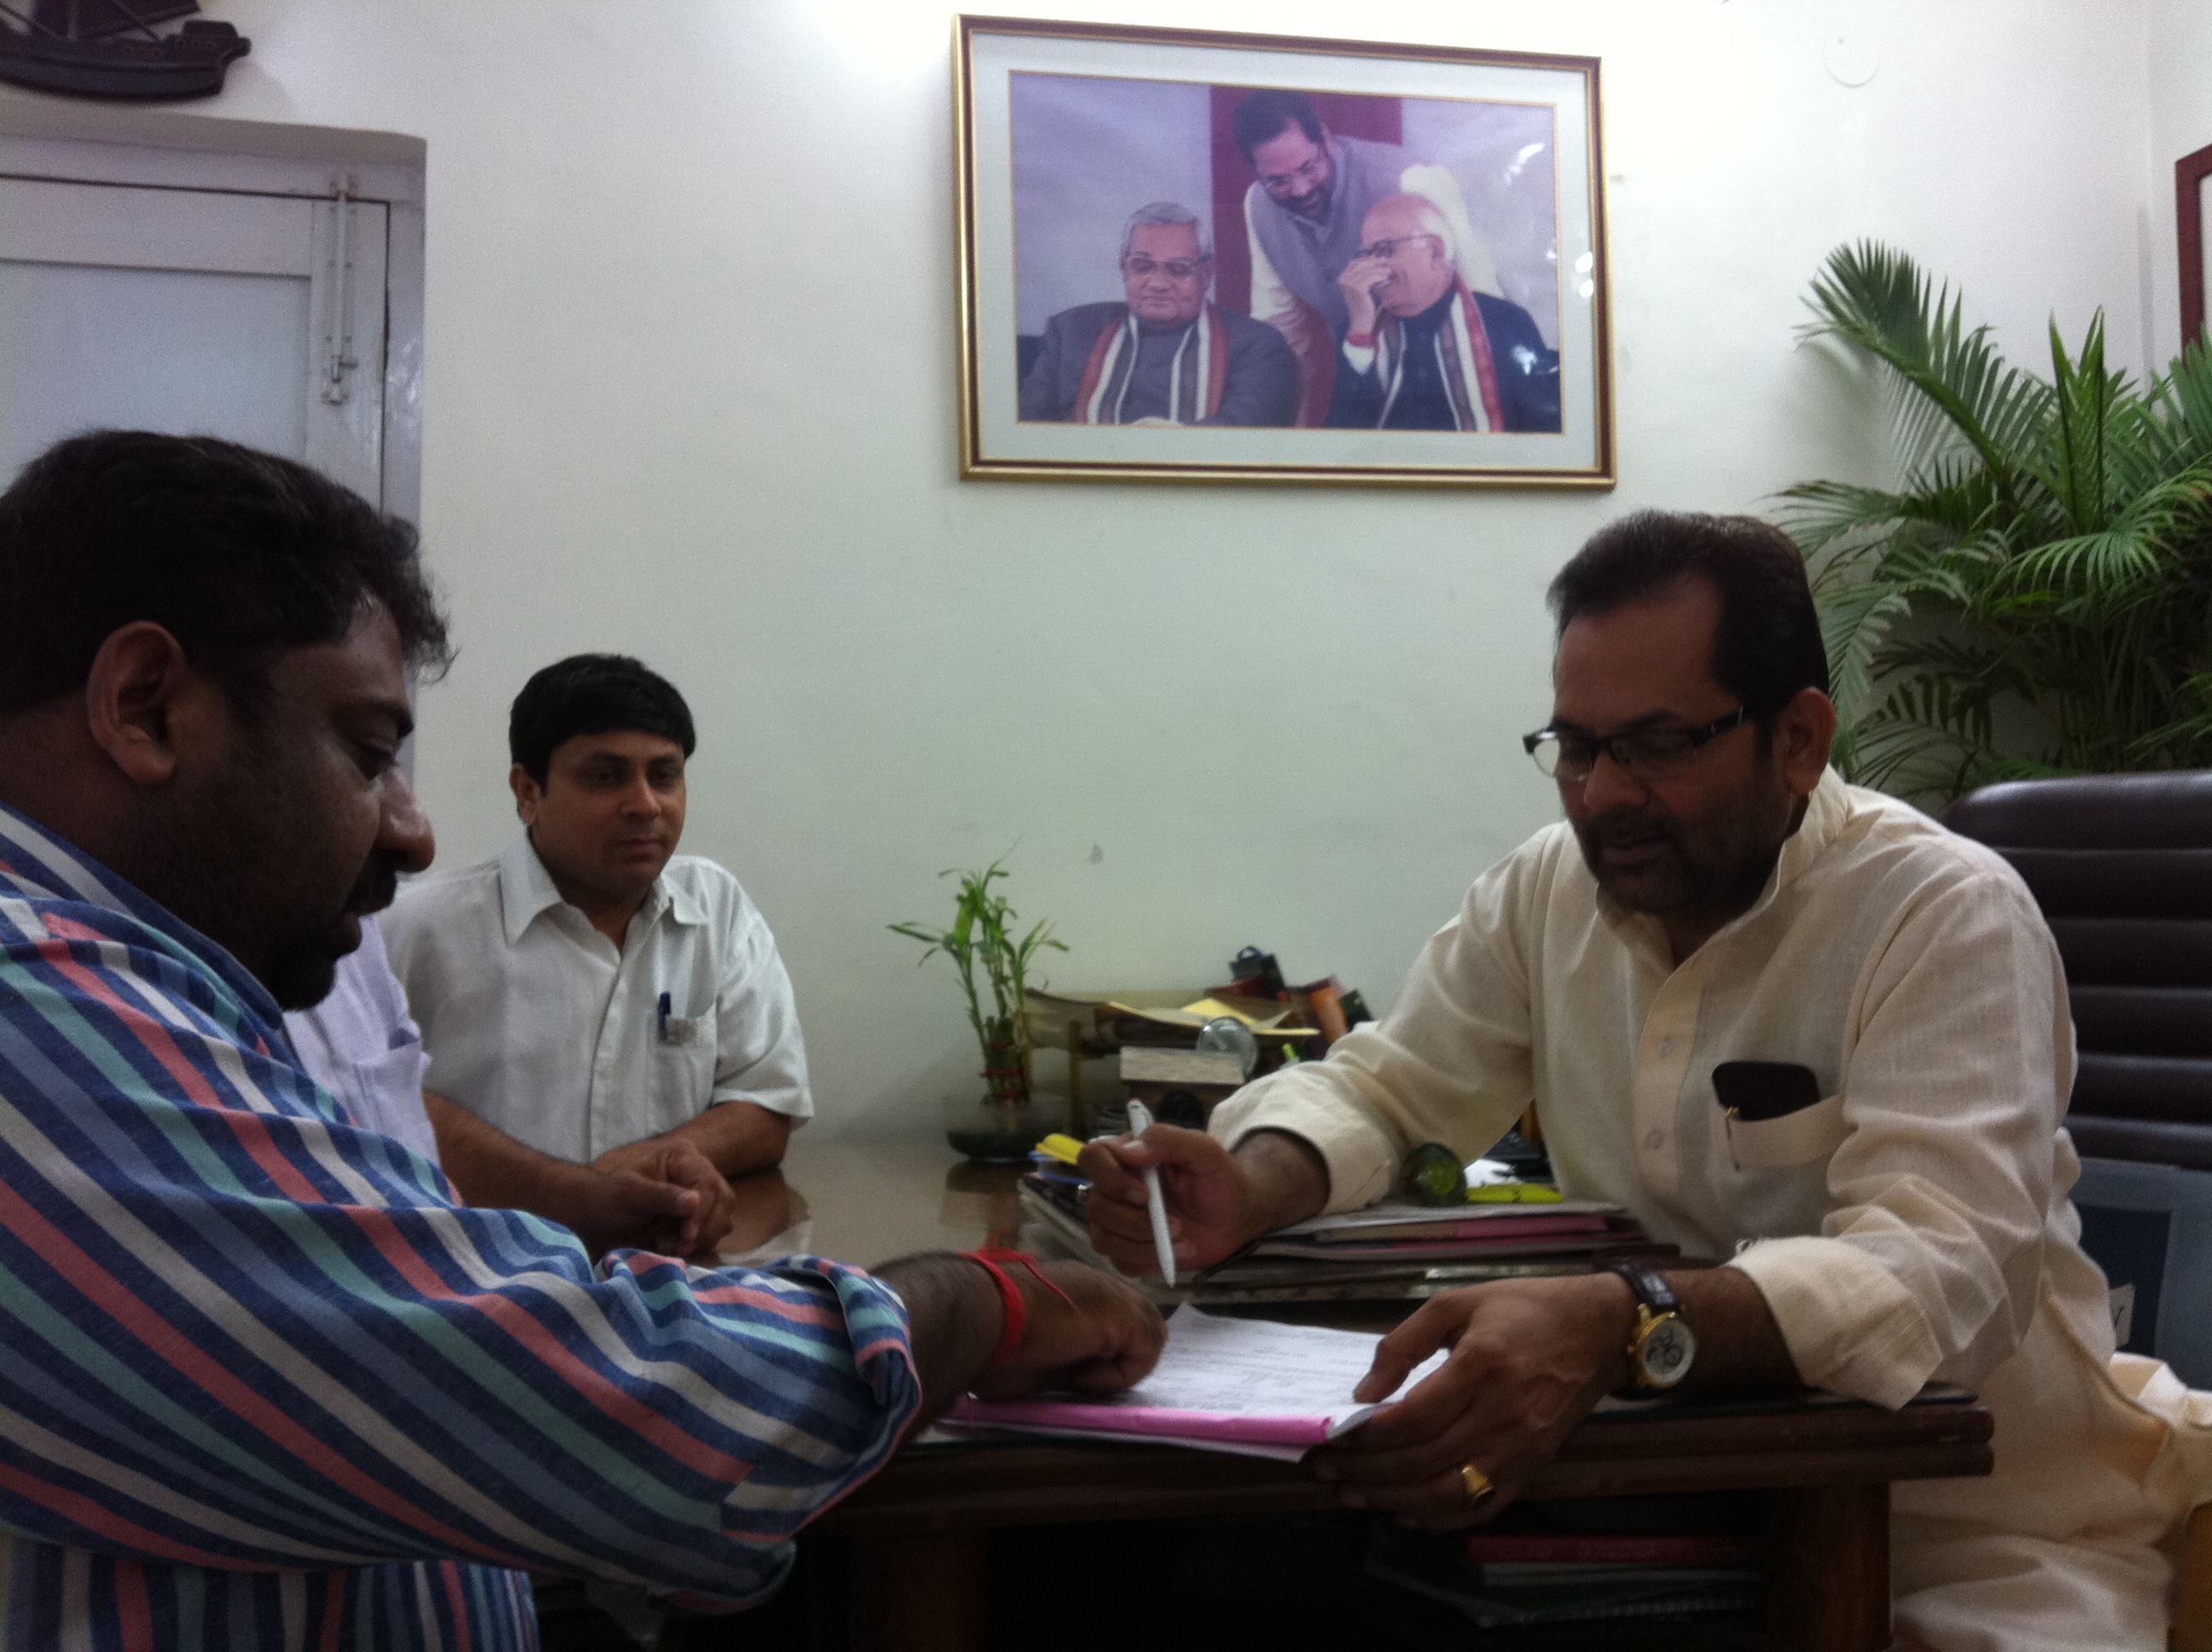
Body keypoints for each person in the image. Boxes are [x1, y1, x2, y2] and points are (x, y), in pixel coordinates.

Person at [0, 429, 1164, 1648]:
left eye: (667, 774)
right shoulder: (41, 1015)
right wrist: (981, 1307)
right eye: (366, 752)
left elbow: (412, 1178)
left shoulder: (218, 963)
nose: (408, 832)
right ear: (142, 706)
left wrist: (607, 1208)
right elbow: (597, 1415)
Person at [1081, 510, 2212, 1649]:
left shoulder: (1939, 912)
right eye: (1577, 746)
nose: (1604, 793)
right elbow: (1388, 1088)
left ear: (1800, 740)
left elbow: (1932, 1268)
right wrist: (1251, 1181)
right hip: (1653, 1500)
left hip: (1974, 1528)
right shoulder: (1548, 894)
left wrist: (1628, 1323)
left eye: (1661, 744)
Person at [384, 654, 805, 1191]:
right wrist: (576, 1196)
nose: (645, 804)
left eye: (665, 775)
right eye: (606, 778)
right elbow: (356, 1106)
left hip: (670, 1254)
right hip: (479, 1261)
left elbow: (767, 1107)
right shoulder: (415, 928)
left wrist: (623, 1179)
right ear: (528, 791)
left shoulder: (715, 910)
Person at [1231, 89, 1498, 426]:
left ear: (1325, 138)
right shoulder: (1257, 205)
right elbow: (1281, 332)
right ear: (1256, 172)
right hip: (1360, 387)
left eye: (1309, 167)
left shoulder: (1413, 179)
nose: (1300, 189)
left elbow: (1484, 300)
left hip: (1454, 381)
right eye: (1279, 181)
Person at [1019, 200, 1298, 427]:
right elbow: (1028, 432)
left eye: (1178, 269)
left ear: (1206, 274)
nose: (1158, 283)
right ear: (1123, 267)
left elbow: (1237, 440)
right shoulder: (1071, 331)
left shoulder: (1257, 346)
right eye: (1141, 265)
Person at [1326, 194, 1560, 434]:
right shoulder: (1357, 327)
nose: (1371, 268)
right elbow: (1341, 436)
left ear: (1436, 252)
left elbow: (1542, 432)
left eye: (1385, 250)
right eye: (1366, 254)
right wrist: (1360, 335)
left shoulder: (1505, 322)